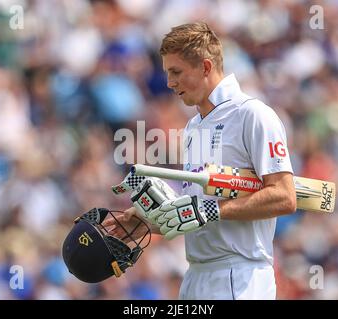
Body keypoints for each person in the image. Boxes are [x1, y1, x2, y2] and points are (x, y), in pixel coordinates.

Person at [105, 22, 297, 300]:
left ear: (206, 67)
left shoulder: (253, 114)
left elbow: (284, 196)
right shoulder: (194, 126)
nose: (170, 83)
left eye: (177, 72)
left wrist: (211, 210)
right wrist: (149, 222)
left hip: (239, 276)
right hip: (196, 274)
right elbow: (194, 212)